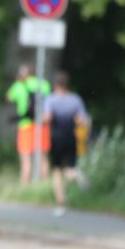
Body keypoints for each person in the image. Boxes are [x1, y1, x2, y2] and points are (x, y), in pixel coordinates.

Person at [42, 72, 89, 217]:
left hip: (56, 139)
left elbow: (48, 118)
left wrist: (42, 120)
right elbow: (83, 120)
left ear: (55, 85)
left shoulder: (51, 100)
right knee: (70, 168)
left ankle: (61, 205)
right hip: (71, 138)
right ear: (67, 85)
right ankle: (77, 174)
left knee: (57, 172)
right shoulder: (75, 99)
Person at [6, 63, 51, 184]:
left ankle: (25, 186)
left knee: (26, 159)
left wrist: (17, 82)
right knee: (42, 157)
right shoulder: (44, 84)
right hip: (42, 124)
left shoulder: (19, 85)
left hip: (25, 125)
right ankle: (44, 185)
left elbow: (9, 98)